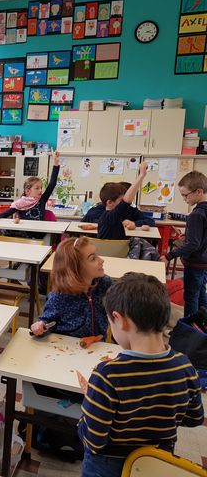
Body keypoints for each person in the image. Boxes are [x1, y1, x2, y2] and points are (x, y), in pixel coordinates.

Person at [78, 273, 204, 477]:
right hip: (157, 463)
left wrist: (91, 402)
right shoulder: (184, 366)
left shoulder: (107, 375)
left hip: (109, 466)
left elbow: (93, 440)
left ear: (120, 320)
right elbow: (194, 418)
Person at [31, 236, 111, 339]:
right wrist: (40, 326)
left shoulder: (105, 284)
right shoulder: (60, 295)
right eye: (93, 258)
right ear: (75, 268)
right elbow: (46, 321)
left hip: (98, 345)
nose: (101, 260)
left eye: (97, 255)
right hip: (65, 345)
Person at [161, 171, 207, 316]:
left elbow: (193, 244)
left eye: (185, 195)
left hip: (195, 263)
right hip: (204, 262)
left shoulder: (196, 215)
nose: (184, 199)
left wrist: (169, 256)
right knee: (201, 293)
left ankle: (189, 325)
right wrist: (189, 236)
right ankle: (202, 321)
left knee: (191, 296)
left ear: (199, 191)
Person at [0, 150, 61, 222]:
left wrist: (56, 164)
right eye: (37, 188)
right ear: (28, 191)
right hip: (24, 229)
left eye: (41, 188)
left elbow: (52, 184)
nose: (40, 190)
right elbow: (7, 212)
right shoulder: (20, 203)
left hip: (39, 230)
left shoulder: (42, 199)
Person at [97, 162, 148, 240]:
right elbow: (126, 202)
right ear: (110, 202)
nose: (124, 203)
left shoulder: (112, 217)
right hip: (113, 248)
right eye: (121, 200)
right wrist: (141, 175)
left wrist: (134, 224)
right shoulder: (109, 216)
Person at [82, 181, 155, 230]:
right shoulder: (101, 207)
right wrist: (119, 222)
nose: (131, 200)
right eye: (128, 199)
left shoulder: (131, 210)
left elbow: (151, 221)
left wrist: (134, 223)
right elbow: (88, 217)